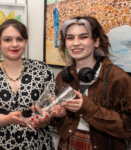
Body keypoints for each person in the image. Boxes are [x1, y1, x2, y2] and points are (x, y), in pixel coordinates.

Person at [0, 19, 55, 150]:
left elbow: (50, 109)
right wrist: (8, 119)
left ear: (25, 41)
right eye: (7, 39)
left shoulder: (42, 70)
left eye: (20, 39)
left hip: (36, 143)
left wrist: (45, 120)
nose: (14, 44)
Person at [51, 16, 131, 149]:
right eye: (70, 38)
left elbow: (128, 127)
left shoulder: (118, 78)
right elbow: (58, 123)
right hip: (67, 144)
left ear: (96, 42)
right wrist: (59, 116)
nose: (75, 43)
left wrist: (88, 108)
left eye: (83, 37)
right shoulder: (63, 77)